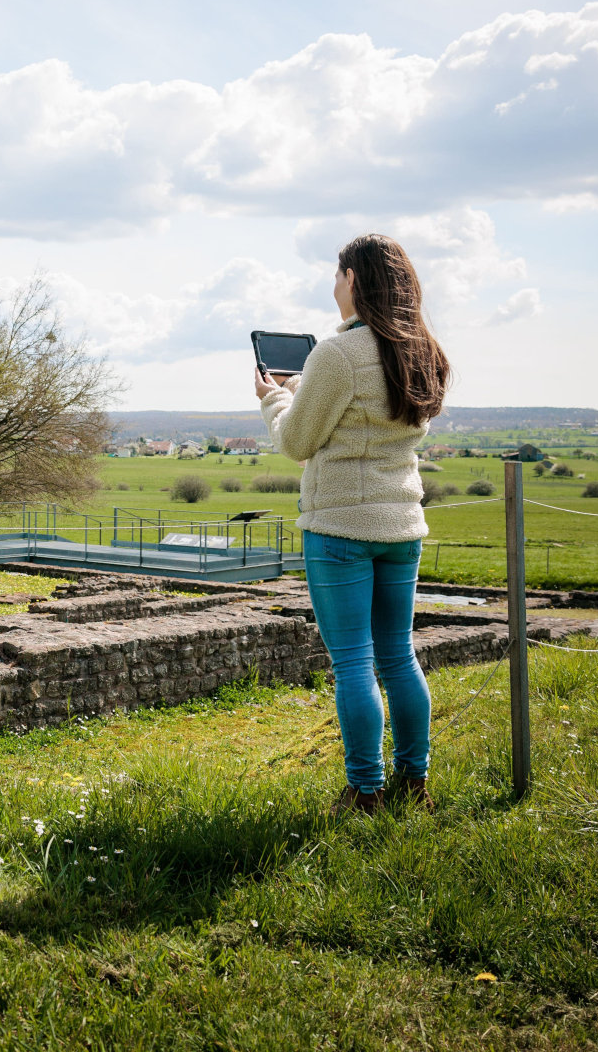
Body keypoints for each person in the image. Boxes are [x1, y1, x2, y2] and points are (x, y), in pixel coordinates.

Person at [254, 234, 451, 816]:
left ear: (355, 280)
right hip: (402, 526)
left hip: (340, 527)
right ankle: (413, 782)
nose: (332, 286)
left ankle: (365, 790)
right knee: (399, 654)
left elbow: (297, 440)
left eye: (337, 275)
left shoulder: (337, 354)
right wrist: (301, 390)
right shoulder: (422, 352)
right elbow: (368, 415)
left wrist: (273, 398)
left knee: (354, 664)